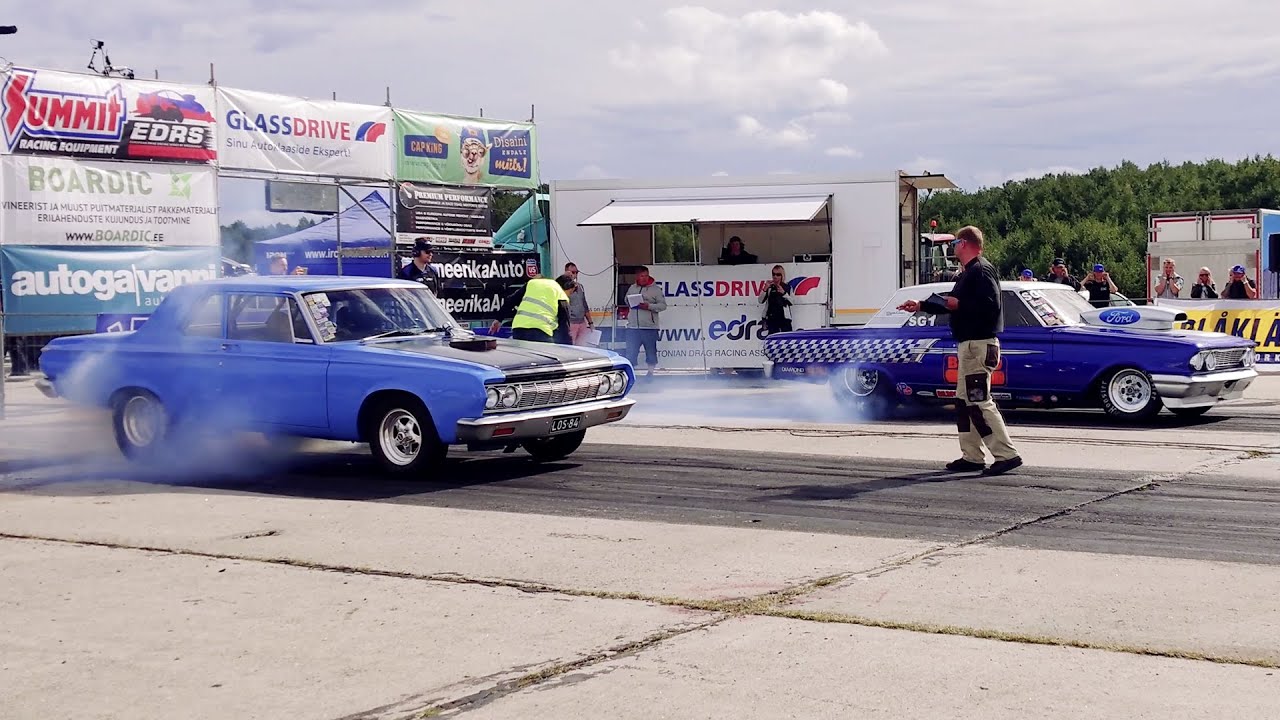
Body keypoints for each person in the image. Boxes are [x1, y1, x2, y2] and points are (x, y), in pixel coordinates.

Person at [897, 225, 1022, 476]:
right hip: (970, 345)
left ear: (964, 243)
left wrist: (960, 304)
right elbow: (952, 305)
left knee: (979, 399)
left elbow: (990, 306)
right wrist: (922, 305)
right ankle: (972, 456)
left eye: (955, 242)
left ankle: (1007, 454)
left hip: (979, 345)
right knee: (965, 401)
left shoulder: (982, 271)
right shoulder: (968, 273)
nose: (953, 247)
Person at [491, 274, 572, 343]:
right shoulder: (560, 293)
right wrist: (568, 348)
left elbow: (510, 300)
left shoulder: (532, 283)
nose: (569, 296)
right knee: (547, 359)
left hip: (519, 329)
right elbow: (564, 325)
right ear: (566, 288)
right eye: (571, 292)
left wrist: (498, 319)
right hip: (540, 331)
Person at [622, 266, 667, 376]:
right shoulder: (632, 288)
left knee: (651, 352)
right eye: (642, 276)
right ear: (637, 276)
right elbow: (626, 300)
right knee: (631, 352)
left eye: (646, 275)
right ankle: (631, 374)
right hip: (633, 326)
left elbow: (663, 305)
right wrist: (630, 301)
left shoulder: (656, 289)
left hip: (649, 327)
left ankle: (650, 373)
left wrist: (648, 306)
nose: (644, 278)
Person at [564, 262, 595, 345]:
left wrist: (590, 323)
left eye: (576, 272)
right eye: (573, 272)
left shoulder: (580, 286)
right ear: (567, 272)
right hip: (571, 323)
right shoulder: (563, 287)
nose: (575, 275)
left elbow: (584, 305)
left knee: (583, 347)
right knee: (571, 347)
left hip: (582, 323)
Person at [759, 265, 793, 334]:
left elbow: (792, 301)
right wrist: (765, 289)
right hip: (772, 318)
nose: (775, 276)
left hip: (784, 318)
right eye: (773, 274)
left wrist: (783, 293)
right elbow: (760, 300)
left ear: (782, 276)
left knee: (786, 340)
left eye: (778, 275)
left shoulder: (787, 287)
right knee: (773, 340)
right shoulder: (770, 287)